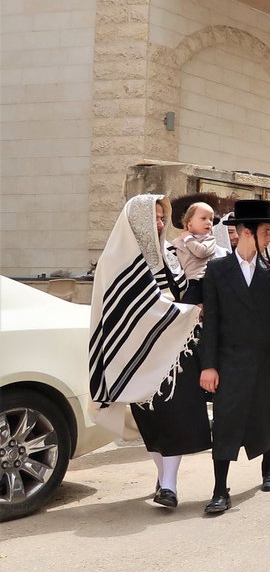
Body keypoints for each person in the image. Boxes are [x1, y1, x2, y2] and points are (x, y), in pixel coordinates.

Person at [89, 194, 206, 509]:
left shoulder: (169, 254)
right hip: (137, 356)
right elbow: (128, 310)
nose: (158, 222)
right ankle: (163, 478)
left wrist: (196, 305)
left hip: (175, 355)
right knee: (152, 421)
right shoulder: (117, 260)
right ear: (136, 220)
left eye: (161, 216)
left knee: (178, 416)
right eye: (152, 217)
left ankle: (168, 485)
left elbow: (180, 293)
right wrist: (184, 313)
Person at [198, 199, 270, 515]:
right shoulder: (217, 270)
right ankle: (219, 489)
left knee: (266, 415)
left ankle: (268, 465)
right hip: (230, 362)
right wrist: (208, 365)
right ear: (245, 232)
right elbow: (210, 320)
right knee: (226, 422)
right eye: (267, 232)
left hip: (268, 361)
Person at [170, 192, 224, 303]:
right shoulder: (178, 242)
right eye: (203, 218)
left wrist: (189, 239)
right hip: (182, 282)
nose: (208, 222)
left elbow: (201, 252)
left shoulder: (209, 240)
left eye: (211, 219)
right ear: (189, 222)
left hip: (200, 282)